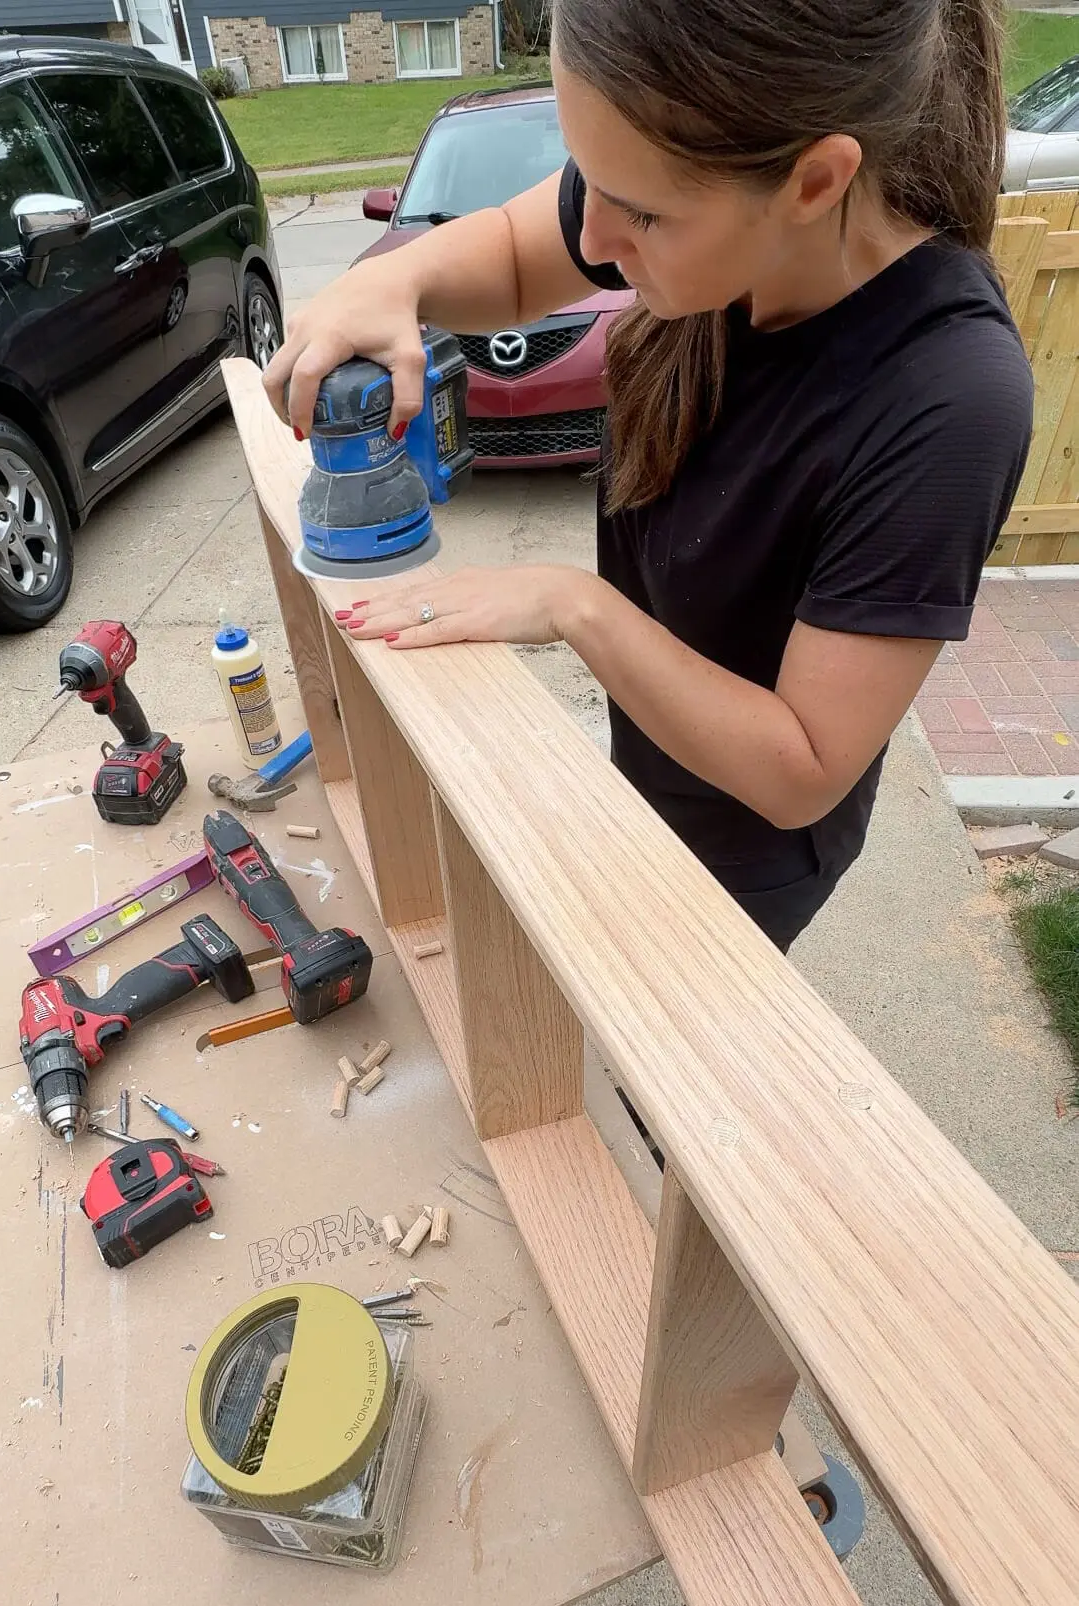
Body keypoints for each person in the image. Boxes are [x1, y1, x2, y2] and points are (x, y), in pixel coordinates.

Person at [266, 0, 1033, 954]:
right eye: (589, 178)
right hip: (649, 768)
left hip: (745, 855)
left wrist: (574, 606)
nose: (592, 244)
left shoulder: (949, 400)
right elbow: (509, 256)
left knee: (659, 1056)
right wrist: (384, 285)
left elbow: (804, 766)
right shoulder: (707, 193)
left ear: (815, 181)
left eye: (643, 214)